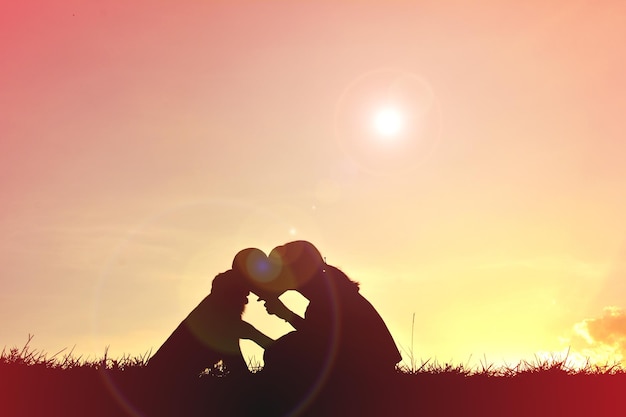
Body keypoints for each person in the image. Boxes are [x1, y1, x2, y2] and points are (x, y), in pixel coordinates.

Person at [147, 269, 273, 381]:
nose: (247, 295)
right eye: (242, 290)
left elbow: (248, 333)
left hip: (162, 374)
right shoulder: (220, 321)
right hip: (162, 377)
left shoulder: (211, 313)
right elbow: (236, 361)